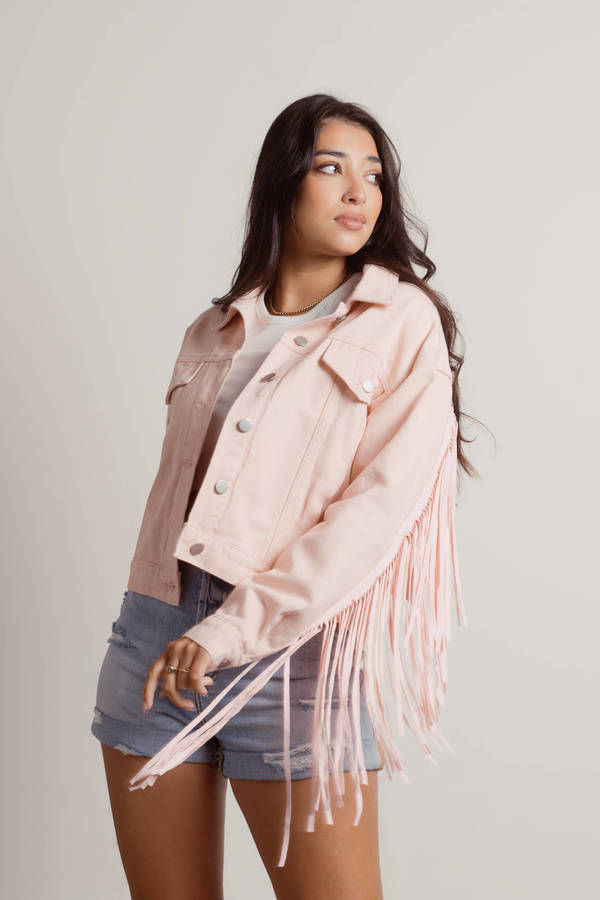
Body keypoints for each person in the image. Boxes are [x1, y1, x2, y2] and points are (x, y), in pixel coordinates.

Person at [91, 93, 472, 900]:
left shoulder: (402, 322)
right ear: (283, 181)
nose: (358, 192)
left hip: (293, 660)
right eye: (331, 168)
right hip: (154, 640)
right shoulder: (212, 329)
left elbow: (375, 515)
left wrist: (234, 627)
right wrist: (186, 626)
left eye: (374, 175)